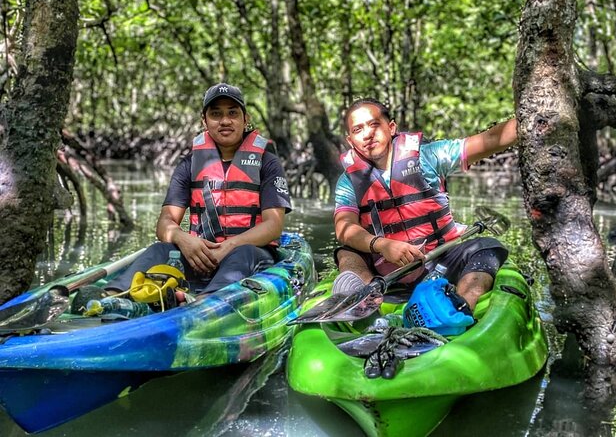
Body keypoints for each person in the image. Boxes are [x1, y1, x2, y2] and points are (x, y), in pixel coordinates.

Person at [97, 83, 292, 304]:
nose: (225, 121)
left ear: (245, 119)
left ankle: (202, 305)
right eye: (216, 114)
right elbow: (165, 222)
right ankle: (110, 300)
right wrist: (184, 240)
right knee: (161, 249)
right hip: (201, 256)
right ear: (205, 121)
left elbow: (273, 225)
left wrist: (228, 246)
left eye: (232, 113)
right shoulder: (189, 164)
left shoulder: (268, 162)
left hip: (251, 256)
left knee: (243, 253)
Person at [333, 98, 516, 316]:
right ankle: (368, 307)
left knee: (487, 247)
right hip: (387, 269)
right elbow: (344, 228)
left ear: (391, 127)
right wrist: (382, 245)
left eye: (374, 125)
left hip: (442, 259)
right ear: (350, 139)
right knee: (347, 253)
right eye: (358, 129)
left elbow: (491, 139)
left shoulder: (429, 156)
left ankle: (458, 309)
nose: (368, 134)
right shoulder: (348, 181)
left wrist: (534, 119)